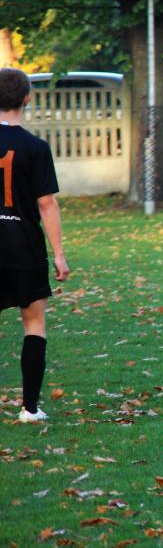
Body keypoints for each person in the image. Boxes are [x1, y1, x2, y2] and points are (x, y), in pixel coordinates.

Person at [0, 67, 70, 423]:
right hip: (24, 247)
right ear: (27, 98)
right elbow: (46, 204)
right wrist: (59, 254)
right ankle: (29, 408)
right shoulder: (36, 148)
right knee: (33, 323)